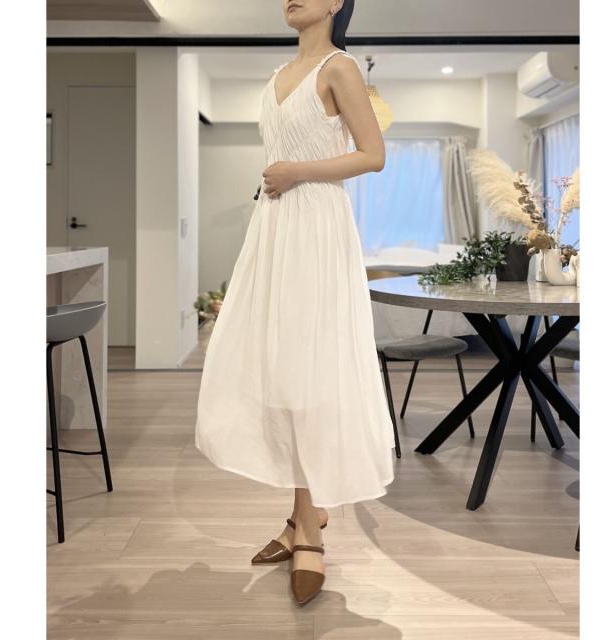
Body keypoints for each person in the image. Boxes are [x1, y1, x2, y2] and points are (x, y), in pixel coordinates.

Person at [195, 0, 395, 606]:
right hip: (275, 228)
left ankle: (307, 528)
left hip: (316, 230)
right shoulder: (277, 76)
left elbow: (373, 154)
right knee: (278, 368)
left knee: (308, 371)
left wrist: (297, 172)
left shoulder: (340, 67)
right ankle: (303, 514)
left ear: (336, 2)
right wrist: (282, 180)